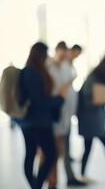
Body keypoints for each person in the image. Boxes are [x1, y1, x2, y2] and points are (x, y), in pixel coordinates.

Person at [18, 42, 67, 189]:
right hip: (39, 122)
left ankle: (35, 185)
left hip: (28, 122)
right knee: (51, 154)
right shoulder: (33, 72)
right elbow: (38, 101)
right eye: (45, 54)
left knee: (31, 154)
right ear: (40, 54)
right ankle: (37, 185)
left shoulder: (29, 70)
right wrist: (59, 99)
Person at [76, 57, 105, 178]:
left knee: (93, 146)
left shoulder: (98, 78)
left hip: (95, 119)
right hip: (90, 119)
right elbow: (88, 100)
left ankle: (84, 173)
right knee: (91, 146)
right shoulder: (92, 80)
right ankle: (84, 174)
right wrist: (103, 99)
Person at [45, 41, 80, 188]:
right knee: (52, 153)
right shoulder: (48, 67)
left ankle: (65, 178)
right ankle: (51, 181)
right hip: (54, 116)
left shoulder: (66, 66)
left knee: (63, 150)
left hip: (66, 115)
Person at [62, 44, 86, 186]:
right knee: (62, 146)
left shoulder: (70, 65)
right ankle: (68, 177)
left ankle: (70, 175)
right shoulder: (63, 66)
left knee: (67, 145)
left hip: (69, 112)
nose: (75, 56)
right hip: (62, 113)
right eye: (75, 53)